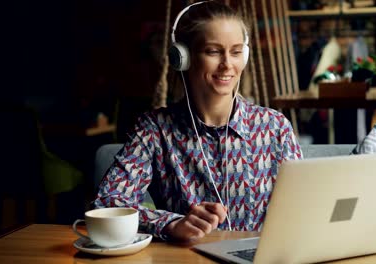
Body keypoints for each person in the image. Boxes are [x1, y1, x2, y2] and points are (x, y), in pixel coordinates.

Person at [94, 1, 302, 242]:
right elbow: (108, 203)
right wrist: (171, 224)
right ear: (183, 57)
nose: (227, 64)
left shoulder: (275, 127)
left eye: (236, 52)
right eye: (213, 51)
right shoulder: (154, 129)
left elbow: (306, 209)